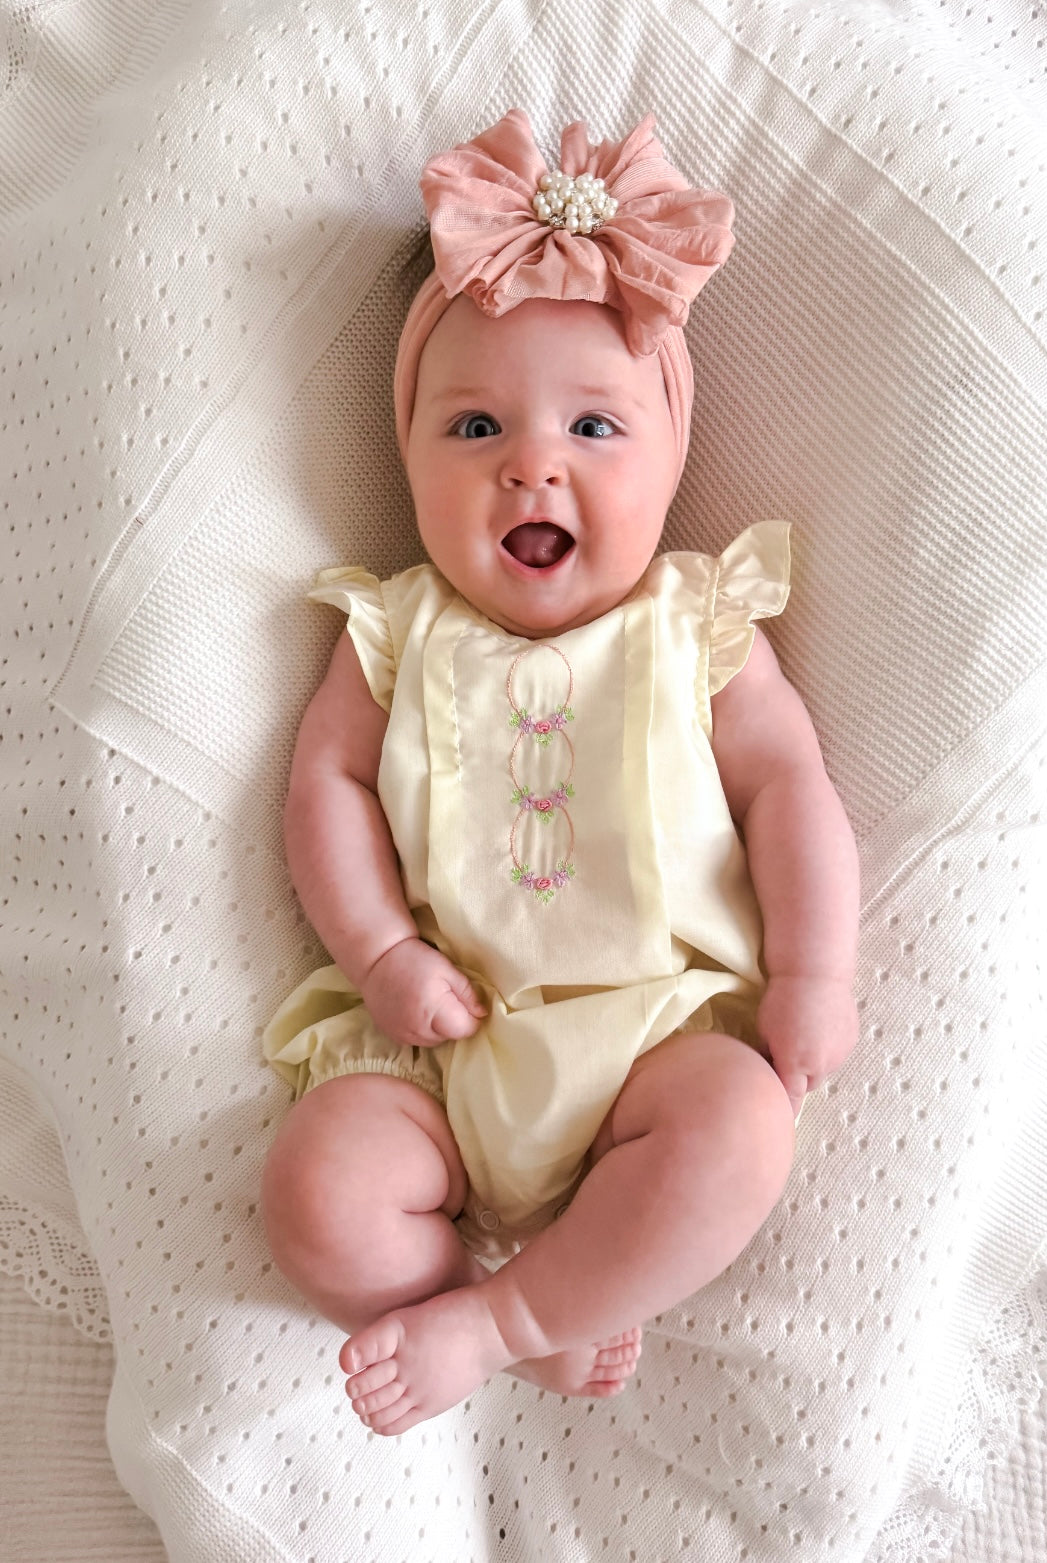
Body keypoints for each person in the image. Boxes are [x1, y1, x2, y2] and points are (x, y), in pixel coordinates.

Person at [259, 109, 859, 1437]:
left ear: (671, 457)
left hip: (655, 1039)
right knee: (314, 1196)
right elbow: (326, 793)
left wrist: (816, 976)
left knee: (744, 1127)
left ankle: (510, 1317)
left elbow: (786, 795)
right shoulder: (394, 632)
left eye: (594, 426)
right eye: (472, 428)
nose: (532, 461)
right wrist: (375, 956)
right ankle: (477, 1296)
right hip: (439, 1050)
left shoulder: (695, 626)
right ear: (406, 460)